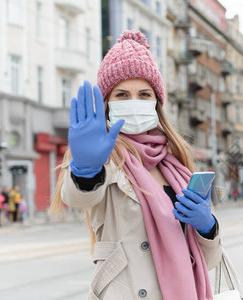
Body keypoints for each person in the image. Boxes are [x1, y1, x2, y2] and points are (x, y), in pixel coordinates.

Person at [49, 30, 221, 300]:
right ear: (107, 103)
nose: (134, 102)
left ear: (156, 102)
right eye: (122, 95)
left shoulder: (175, 162)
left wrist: (207, 227)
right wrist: (86, 170)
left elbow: (207, 261)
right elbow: (78, 199)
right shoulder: (99, 154)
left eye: (144, 94)